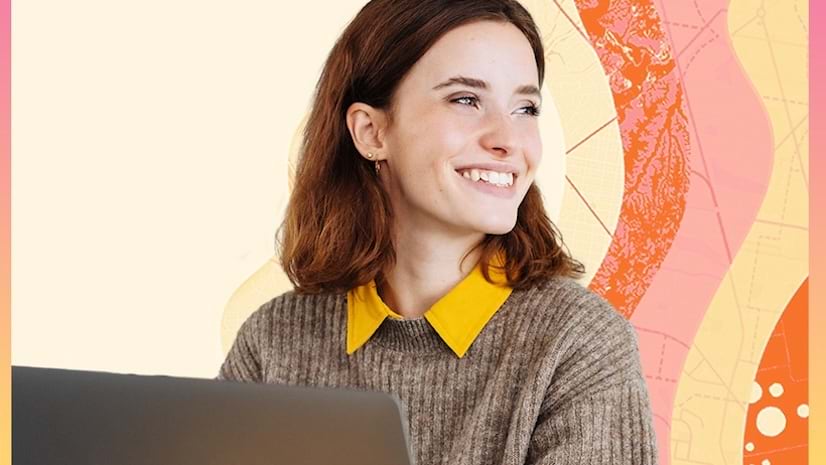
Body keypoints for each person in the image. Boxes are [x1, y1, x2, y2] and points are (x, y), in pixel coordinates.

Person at [218, 0, 658, 464]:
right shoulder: (273, 341)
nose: (508, 140)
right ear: (371, 132)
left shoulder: (579, 346)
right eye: (466, 100)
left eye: (526, 108)